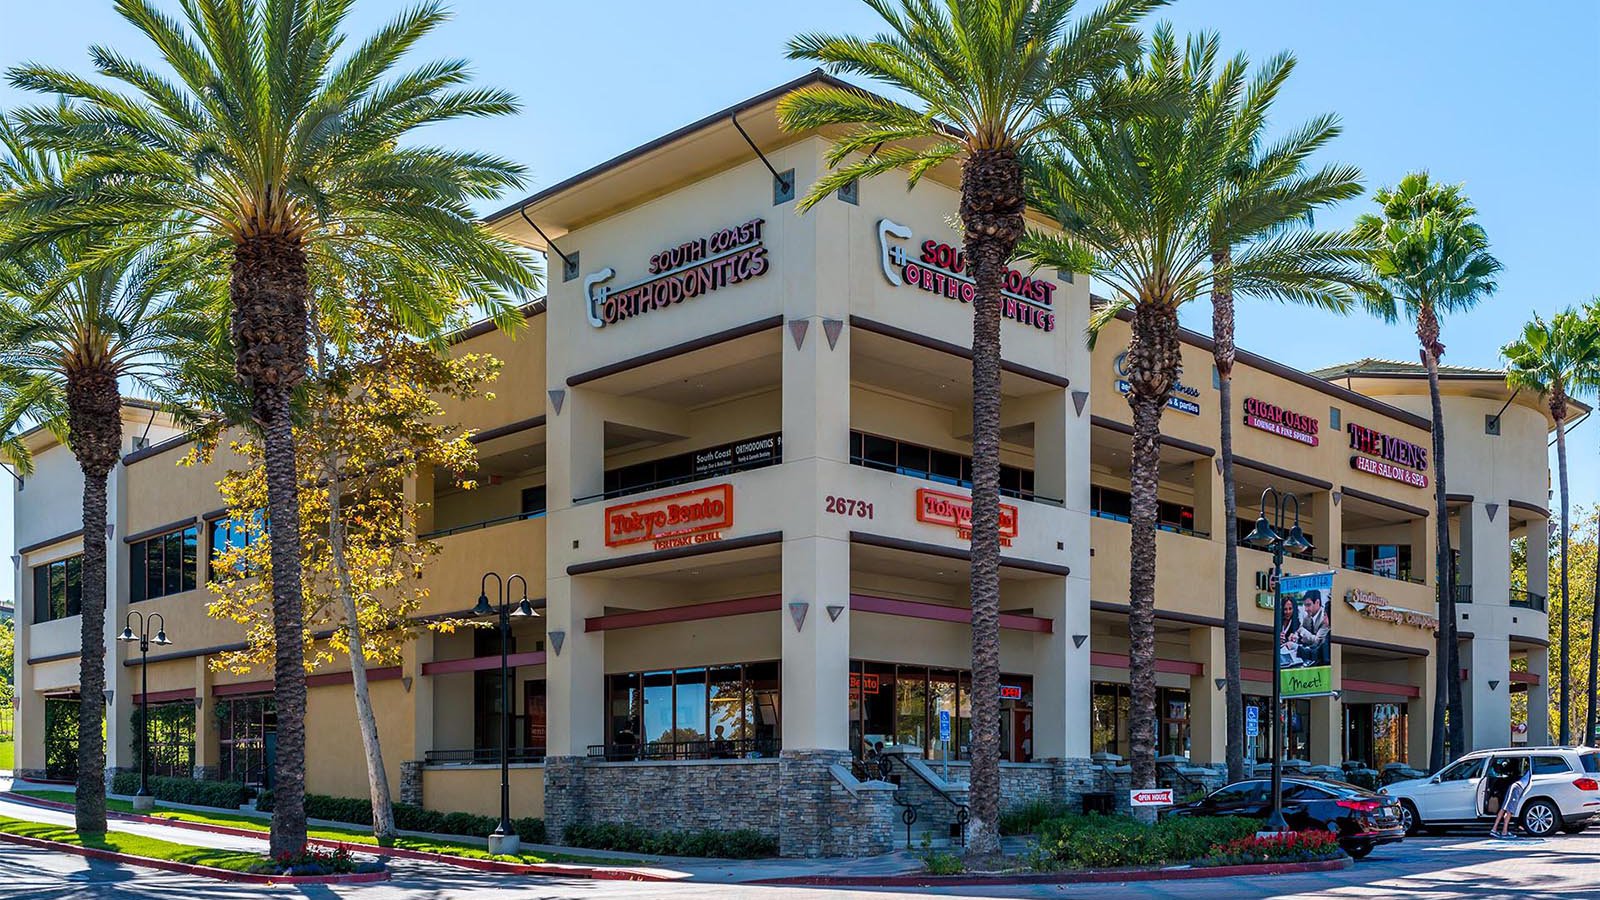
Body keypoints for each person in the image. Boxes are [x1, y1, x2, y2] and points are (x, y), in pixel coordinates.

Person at [1491, 761, 1533, 839]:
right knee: (1510, 810)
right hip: (1517, 788)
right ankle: (1504, 832)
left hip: (1515, 786)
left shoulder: (1529, 771)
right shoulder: (1533, 771)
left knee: (1504, 807)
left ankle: (1494, 829)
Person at [1293, 590, 1331, 667]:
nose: (1306, 609)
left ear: (1317, 602)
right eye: (1305, 605)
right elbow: (1303, 638)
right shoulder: (1307, 618)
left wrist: (1300, 630)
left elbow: (1317, 642)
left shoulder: (1325, 618)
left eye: (1308, 605)